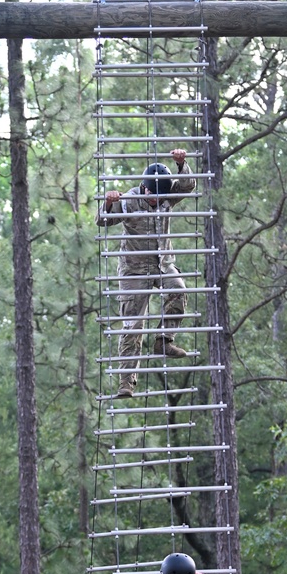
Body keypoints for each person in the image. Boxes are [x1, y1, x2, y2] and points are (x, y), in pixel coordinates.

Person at [96, 151, 197, 398]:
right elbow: (102, 220)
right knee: (133, 324)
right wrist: (109, 202)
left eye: (160, 198)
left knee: (178, 290)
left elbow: (188, 185)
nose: (156, 201)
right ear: (144, 188)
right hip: (134, 269)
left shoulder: (166, 196)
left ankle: (164, 339)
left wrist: (181, 163)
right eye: (153, 197)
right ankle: (126, 382)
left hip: (162, 262)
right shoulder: (129, 200)